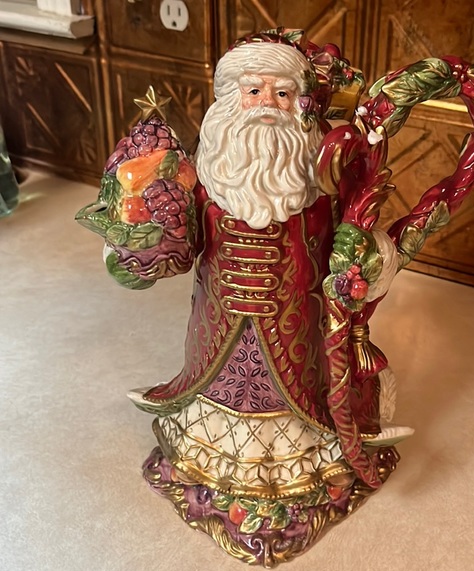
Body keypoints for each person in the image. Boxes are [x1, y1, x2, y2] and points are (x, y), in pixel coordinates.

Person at [126, 34, 411, 500]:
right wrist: (142, 245)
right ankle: (205, 454)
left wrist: (368, 255)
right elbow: (181, 247)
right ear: (230, 98)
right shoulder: (206, 178)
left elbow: (352, 241)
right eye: (254, 90)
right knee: (215, 398)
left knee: (304, 405)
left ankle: (310, 461)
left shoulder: (319, 183)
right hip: (216, 331)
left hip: (299, 335)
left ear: (301, 104)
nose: (267, 104)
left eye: (281, 93)